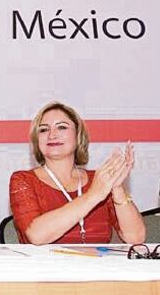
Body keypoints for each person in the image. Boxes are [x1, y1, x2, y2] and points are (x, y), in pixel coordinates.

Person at [9, 102, 145, 245]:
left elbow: (136, 238)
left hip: (98, 265)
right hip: (47, 267)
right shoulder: (23, 180)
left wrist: (117, 188)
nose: (52, 135)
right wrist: (93, 195)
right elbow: (36, 236)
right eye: (43, 130)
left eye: (61, 127)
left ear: (78, 135)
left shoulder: (98, 180)